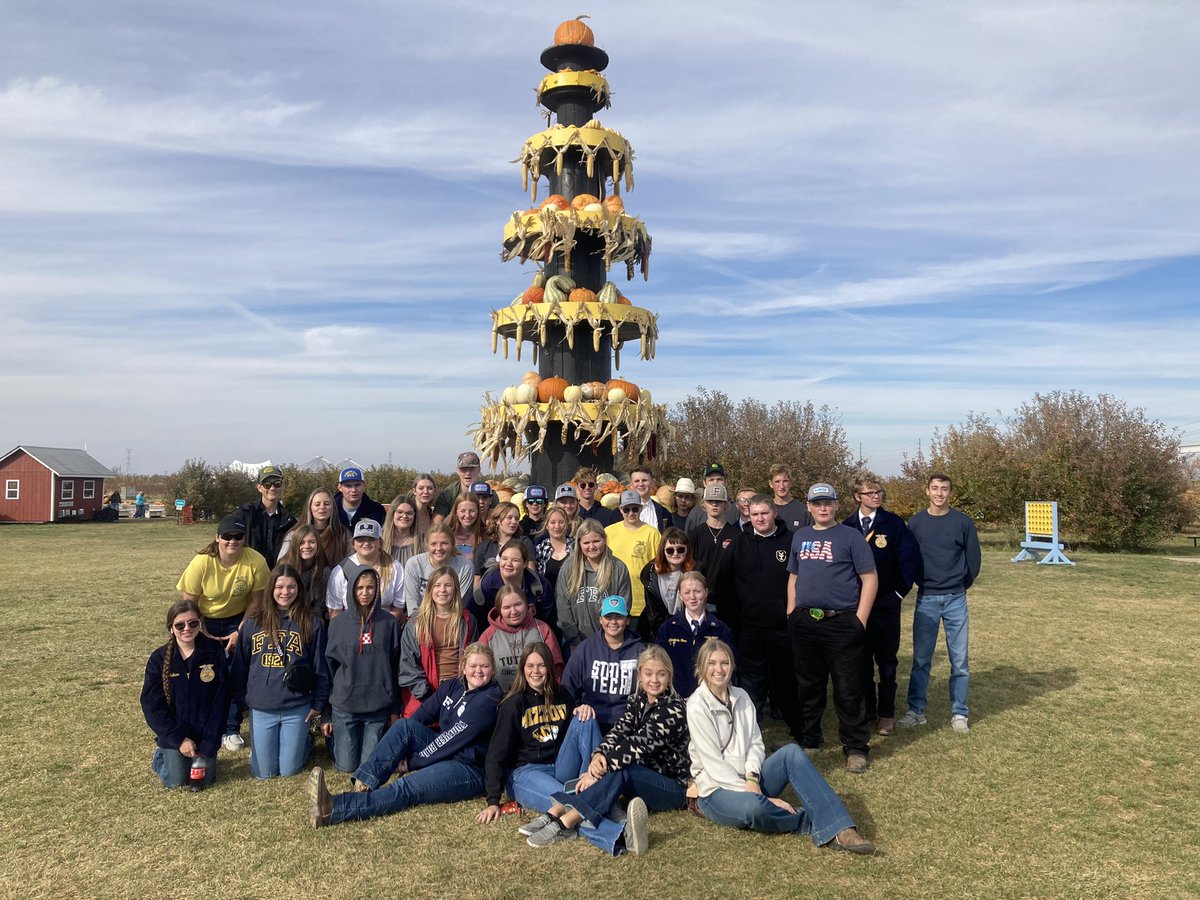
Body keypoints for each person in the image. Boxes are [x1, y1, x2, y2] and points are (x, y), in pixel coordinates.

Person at [687, 639, 876, 853]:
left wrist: (751, 778)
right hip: (716, 789)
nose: (719, 670)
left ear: (732, 666)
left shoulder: (742, 696)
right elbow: (714, 766)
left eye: (725, 663)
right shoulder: (696, 706)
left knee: (792, 753)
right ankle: (814, 820)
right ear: (702, 666)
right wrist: (760, 796)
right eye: (712, 663)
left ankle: (842, 829)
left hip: (750, 780)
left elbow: (756, 744)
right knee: (753, 808)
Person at [308, 644, 502, 827]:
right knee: (404, 726)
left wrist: (412, 763)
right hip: (447, 750)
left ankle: (333, 808)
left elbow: (451, 738)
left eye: (484, 666)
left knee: (407, 787)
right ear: (464, 667)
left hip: (470, 768)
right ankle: (364, 783)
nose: (478, 671)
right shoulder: (453, 686)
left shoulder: (489, 699)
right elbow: (424, 714)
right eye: (473, 665)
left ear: (492, 669)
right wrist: (403, 748)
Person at [524, 645, 689, 854]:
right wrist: (599, 755)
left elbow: (639, 744)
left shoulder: (673, 708)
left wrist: (600, 770)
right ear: (640, 675)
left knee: (621, 768)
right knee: (616, 767)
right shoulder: (637, 700)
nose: (654, 680)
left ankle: (567, 820)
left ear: (669, 676)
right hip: (642, 777)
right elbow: (618, 732)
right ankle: (562, 809)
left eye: (661, 674)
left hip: (671, 787)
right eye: (648, 673)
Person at [785, 483, 878, 773]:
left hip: (841, 623)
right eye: (817, 503)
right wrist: (791, 611)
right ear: (809, 507)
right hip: (805, 622)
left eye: (828, 503)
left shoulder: (851, 537)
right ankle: (810, 740)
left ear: (837, 505)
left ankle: (855, 747)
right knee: (809, 686)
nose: (823, 508)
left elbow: (870, 578)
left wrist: (859, 619)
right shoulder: (801, 536)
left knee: (848, 688)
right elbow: (793, 576)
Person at [176, 512, 270, 751]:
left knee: (233, 673)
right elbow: (189, 603)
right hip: (202, 619)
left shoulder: (255, 561)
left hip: (238, 619)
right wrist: (202, 630)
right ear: (217, 537)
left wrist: (240, 631)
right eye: (227, 536)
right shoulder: (202, 562)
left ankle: (231, 729)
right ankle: (202, 726)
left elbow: (256, 601)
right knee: (204, 672)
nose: (233, 541)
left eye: (238, 536)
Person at [899, 473, 982, 734]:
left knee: (959, 661)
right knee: (922, 659)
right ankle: (916, 711)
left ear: (950, 493)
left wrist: (959, 585)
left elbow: (973, 561)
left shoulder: (962, 522)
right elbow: (909, 558)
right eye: (934, 488)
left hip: (956, 598)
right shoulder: (915, 522)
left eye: (944, 489)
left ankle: (959, 713)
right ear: (927, 491)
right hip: (926, 599)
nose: (939, 493)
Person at [232, 563, 330, 779]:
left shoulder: (311, 621)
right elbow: (240, 665)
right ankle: (264, 751)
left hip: (296, 706)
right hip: (262, 705)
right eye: (279, 587)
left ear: (299, 589)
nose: (285, 592)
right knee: (264, 773)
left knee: (289, 770)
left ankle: (304, 740)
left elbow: (321, 667)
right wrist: (241, 701)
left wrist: (318, 704)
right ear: (270, 589)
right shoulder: (253, 622)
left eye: (291, 587)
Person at [843, 475, 919, 736]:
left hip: (886, 605)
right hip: (856, 607)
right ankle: (869, 710)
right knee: (861, 661)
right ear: (857, 497)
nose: (876, 496)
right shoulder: (847, 527)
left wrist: (898, 594)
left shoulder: (894, 524)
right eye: (870, 492)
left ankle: (886, 714)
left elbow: (909, 562)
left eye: (879, 492)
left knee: (886, 661)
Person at [726, 495, 803, 744]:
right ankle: (751, 730)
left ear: (774, 514)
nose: (760, 518)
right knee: (751, 681)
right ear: (749, 515)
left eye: (765, 513)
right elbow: (725, 581)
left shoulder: (791, 541)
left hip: (783, 625)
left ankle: (798, 730)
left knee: (786, 679)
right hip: (750, 626)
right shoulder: (739, 543)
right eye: (755, 513)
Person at [476, 643, 571, 825]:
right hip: (526, 771)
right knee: (566, 801)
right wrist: (493, 800)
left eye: (541, 665)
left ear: (550, 667)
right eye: (530, 666)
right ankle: (617, 833)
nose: (536, 671)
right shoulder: (513, 703)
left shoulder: (562, 695)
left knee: (586, 718)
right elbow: (498, 751)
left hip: (559, 767)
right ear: (522, 669)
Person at [140, 600, 229, 789]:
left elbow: (222, 700)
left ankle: (200, 757)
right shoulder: (159, 659)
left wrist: (210, 742)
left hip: (205, 734)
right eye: (180, 625)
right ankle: (162, 756)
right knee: (177, 781)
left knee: (206, 781)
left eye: (193, 623)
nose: (187, 629)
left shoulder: (214, 652)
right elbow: (152, 705)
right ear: (171, 628)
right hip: (175, 733)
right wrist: (179, 739)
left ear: (200, 623)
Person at [324, 565, 403, 775]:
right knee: (347, 767)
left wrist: (394, 708)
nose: (364, 593)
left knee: (368, 768)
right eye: (359, 588)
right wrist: (326, 712)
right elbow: (329, 667)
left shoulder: (389, 623)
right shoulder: (337, 624)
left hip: (377, 706)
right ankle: (333, 742)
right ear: (351, 590)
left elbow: (395, 666)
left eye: (370, 588)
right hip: (345, 705)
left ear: (377, 590)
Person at [397, 566, 478, 715]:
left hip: (460, 693)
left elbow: (475, 660)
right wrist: (429, 698)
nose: (443, 590)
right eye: (437, 585)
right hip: (425, 697)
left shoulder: (467, 621)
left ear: (455, 589)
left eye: (448, 585)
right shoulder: (415, 623)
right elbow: (408, 666)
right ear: (430, 590)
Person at [561, 595, 644, 736]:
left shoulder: (641, 651)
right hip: (592, 722)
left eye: (619, 617)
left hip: (629, 725)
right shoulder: (585, 649)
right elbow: (567, 689)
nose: (613, 622)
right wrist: (577, 708)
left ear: (628, 620)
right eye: (608, 617)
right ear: (600, 619)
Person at [556, 519, 632, 651]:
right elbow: (563, 606)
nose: (591, 546)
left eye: (596, 541)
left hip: (610, 641)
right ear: (579, 543)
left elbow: (624, 604)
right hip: (575, 642)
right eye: (586, 542)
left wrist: (611, 637)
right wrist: (573, 638)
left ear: (605, 539)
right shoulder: (568, 568)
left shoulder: (618, 568)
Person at [654, 572, 735, 697]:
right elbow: (659, 666)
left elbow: (730, 669)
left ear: (706, 592)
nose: (692, 597)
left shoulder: (722, 630)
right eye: (687, 592)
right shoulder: (668, 629)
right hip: (675, 698)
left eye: (697, 591)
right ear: (680, 595)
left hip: (710, 699)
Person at [479, 585, 564, 690]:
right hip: (500, 699)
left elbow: (557, 667)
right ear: (499, 610)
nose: (514, 611)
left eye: (518, 604)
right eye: (507, 607)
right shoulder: (488, 636)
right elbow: (480, 672)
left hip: (537, 698)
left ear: (526, 604)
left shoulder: (542, 629)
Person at [686, 485, 741, 629]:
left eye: (719, 501)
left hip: (728, 602)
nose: (715, 504)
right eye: (710, 501)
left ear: (726, 504)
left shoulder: (737, 536)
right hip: (701, 602)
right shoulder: (695, 535)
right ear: (704, 504)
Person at [325, 520, 403, 619]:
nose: (366, 543)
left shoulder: (395, 567)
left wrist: (383, 629)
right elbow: (335, 610)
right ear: (353, 544)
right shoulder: (341, 570)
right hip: (350, 626)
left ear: (380, 542)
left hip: (383, 625)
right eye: (361, 539)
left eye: (371, 539)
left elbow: (399, 606)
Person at [605, 490, 662, 620]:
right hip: (614, 602)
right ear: (620, 510)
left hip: (642, 603)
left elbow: (660, 566)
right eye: (626, 509)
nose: (631, 513)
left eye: (635, 509)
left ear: (641, 508)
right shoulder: (608, 532)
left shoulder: (652, 534)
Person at [477, 540, 556, 635]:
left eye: (515, 560)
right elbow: (477, 619)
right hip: (497, 636)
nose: (508, 564)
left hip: (532, 633)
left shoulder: (539, 585)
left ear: (525, 563)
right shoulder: (487, 585)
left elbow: (549, 620)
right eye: (504, 559)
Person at [637, 526, 697, 640]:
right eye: (670, 550)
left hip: (688, 629)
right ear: (663, 551)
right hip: (657, 631)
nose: (675, 554)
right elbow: (654, 613)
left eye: (680, 549)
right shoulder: (651, 574)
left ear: (687, 550)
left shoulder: (696, 571)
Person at [403, 525, 474, 617]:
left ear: (452, 544)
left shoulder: (465, 567)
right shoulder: (414, 564)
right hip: (420, 619)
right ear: (427, 545)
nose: (439, 548)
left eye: (444, 543)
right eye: (433, 544)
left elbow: (459, 604)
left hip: (452, 619)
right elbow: (412, 605)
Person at [236, 465, 297, 568]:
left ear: (282, 485)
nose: (272, 488)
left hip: (277, 578)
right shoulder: (244, 514)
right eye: (267, 485)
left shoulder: (290, 521)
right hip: (249, 574)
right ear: (259, 487)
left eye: (277, 484)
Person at [279, 487, 349, 568]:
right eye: (317, 504)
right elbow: (281, 565)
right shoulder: (294, 534)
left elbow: (350, 565)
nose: (322, 507)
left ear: (333, 507)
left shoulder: (343, 534)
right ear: (310, 508)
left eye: (326, 504)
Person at [474, 501, 534, 590]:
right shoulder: (484, 547)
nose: (514, 522)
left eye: (517, 518)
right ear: (497, 520)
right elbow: (477, 581)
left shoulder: (525, 543)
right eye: (509, 517)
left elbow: (532, 574)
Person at [278, 524, 330, 622]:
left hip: (312, 619)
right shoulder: (284, 566)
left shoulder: (324, 570)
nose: (307, 546)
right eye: (302, 542)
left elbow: (319, 605)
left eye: (312, 542)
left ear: (318, 544)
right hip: (284, 617)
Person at [333, 466, 387, 532]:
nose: (353, 490)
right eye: (348, 486)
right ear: (340, 487)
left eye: (357, 485)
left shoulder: (377, 510)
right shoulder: (331, 510)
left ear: (364, 486)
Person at [433, 452, 482, 524]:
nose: (467, 473)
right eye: (463, 469)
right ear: (457, 471)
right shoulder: (447, 494)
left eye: (471, 469)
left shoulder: (487, 492)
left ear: (478, 470)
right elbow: (436, 525)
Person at [532, 506, 574, 589]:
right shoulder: (540, 550)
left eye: (561, 522)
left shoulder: (575, 547)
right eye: (552, 522)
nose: (557, 526)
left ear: (567, 524)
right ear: (546, 525)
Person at [683, 462, 729, 534]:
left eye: (719, 479)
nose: (715, 483)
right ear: (704, 483)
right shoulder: (695, 513)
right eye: (711, 480)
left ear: (725, 482)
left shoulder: (735, 509)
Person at [381, 494, 422, 571]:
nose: (404, 516)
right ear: (392, 514)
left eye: (409, 513)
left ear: (414, 516)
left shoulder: (422, 542)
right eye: (400, 512)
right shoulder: (380, 541)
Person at [769, 464, 813, 533]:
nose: (781, 486)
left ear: (791, 483)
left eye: (785, 481)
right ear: (771, 484)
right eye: (777, 481)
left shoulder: (803, 510)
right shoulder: (765, 509)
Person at [630, 466, 673, 533]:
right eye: (637, 481)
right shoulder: (619, 513)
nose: (641, 484)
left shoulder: (664, 513)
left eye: (644, 480)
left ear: (652, 483)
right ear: (631, 485)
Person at [445, 493, 485, 558]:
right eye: (463, 511)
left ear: (478, 511)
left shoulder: (485, 535)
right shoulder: (446, 534)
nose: (467, 515)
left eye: (472, 511)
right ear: (456, 512)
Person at [411, 474, 438, 546]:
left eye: (430, 488)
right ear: (414, 491)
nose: (425, 491)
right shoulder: (407, 514)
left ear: (434, 491)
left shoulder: (433, 516)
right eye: (421, 488)